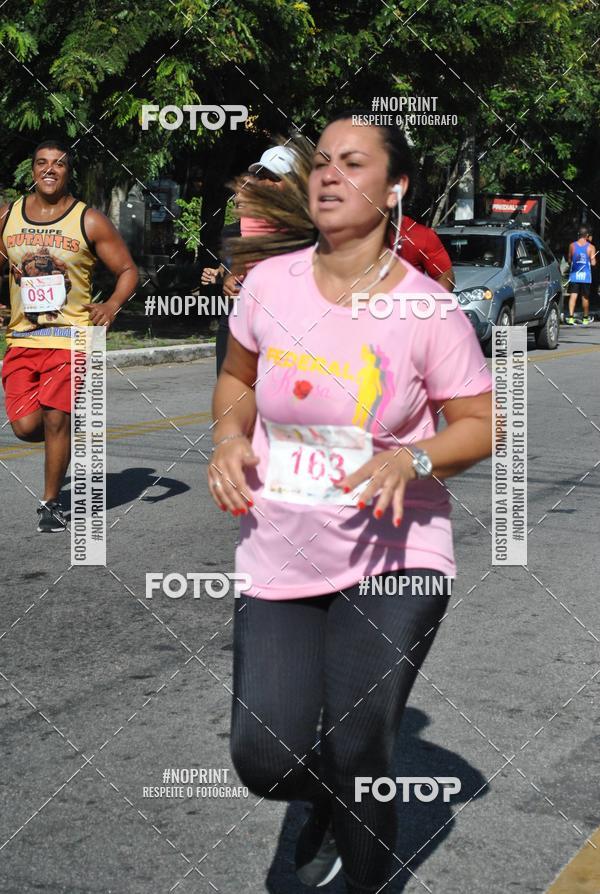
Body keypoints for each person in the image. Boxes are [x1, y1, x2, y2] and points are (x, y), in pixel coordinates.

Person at [208, 110, 493, 892]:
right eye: (324, 160)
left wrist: (415, 456)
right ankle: (328, 797)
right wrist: (229, 437)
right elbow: (236, 379)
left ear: (395, 188)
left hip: (395, 555)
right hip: (281, 551)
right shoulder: (268, 285)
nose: (330, 174)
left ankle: (365, 866)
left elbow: (481, 424)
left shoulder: (428, 309)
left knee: (359, 741)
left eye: (354, 162)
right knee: (264, 758)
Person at [0, 139, 138, 531]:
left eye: (58, 163)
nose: (49, 169)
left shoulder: (88, 220)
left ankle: (50, 503)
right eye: (42, 162)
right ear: (32, 170)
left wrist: (112, 305)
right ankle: (63, 438)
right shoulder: (8, 217)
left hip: (72, 338)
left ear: (68, 171)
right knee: (26, 427)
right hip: (23, 339)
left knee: (56, 417)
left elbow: (127, 270)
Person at [566, 225, 596, 325]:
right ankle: (585, 318)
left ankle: (571, 317)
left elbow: (569, 260)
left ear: (578, 234)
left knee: (573, 296)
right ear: (587, 235)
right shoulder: (591, 247)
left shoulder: (572, 245)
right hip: (586, 276)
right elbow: (593, 263)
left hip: (575, 275)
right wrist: (591, 260)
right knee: (585, 297)